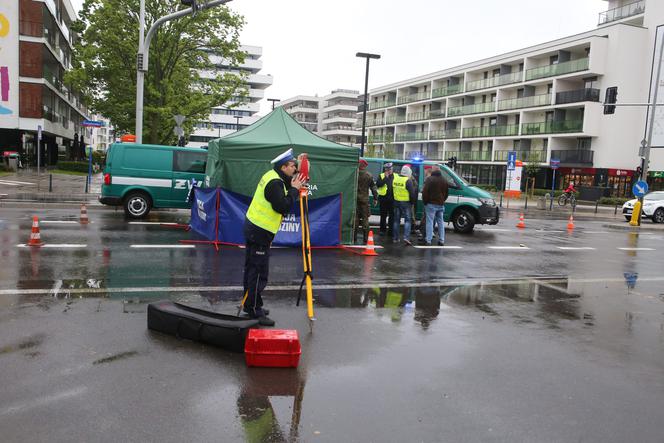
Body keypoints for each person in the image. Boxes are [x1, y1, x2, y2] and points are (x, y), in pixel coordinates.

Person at [243, 148, 303, 326]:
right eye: (293, 166)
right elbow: (282, 206)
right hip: (259, 231)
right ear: (284, 167)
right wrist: (294, 191)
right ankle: (254, 310)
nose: (295, 169)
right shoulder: (275, 184)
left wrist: (302, 165)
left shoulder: (274, 175)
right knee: (258, 272)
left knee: (252, 269)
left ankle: (251, 304)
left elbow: (294, 179)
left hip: (256, 229)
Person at [421, 164, 448, 246]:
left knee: (429, 221)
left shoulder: (430, 179)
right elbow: (446, 193)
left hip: (431, 204)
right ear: (439, 170)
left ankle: (428, 240)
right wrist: (442, 200)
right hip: (440, 204)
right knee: (440, 222)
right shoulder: (444, 180)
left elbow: (425, 192)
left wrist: (425, 202)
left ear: (433, 170)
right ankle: (442, 240)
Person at [355, 159, 378, 244]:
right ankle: (366, 238)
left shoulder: (355, 174)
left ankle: (354, 238)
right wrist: (375, 198)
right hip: (364, 200)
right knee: (365, 219)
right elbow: (373, 188)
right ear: (365, 166)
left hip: (355, 199)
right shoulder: (369, 175)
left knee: (355, 219)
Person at [392, 165, 417, 245]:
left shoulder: (395, 179)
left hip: (396, 202)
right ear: (408, 173)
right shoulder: (408, 181)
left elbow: (392, 190)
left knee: (396, 220)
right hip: (406, 203)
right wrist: (412, 202)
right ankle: (406, 237)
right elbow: (412, 193)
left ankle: (395, 238)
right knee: (408, 221)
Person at [375, 162, 396, 237]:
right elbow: (378, 184)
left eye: (390, 169)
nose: (389, 170)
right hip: (383, 200)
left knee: (392, 216)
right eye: (387, 169)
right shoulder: (381, 176)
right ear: (385, 170)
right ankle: (382, 230)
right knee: (383, 216)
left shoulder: (396, 176)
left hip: (393, 200)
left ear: (392, 169)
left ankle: (391, 231)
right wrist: (385, 178)